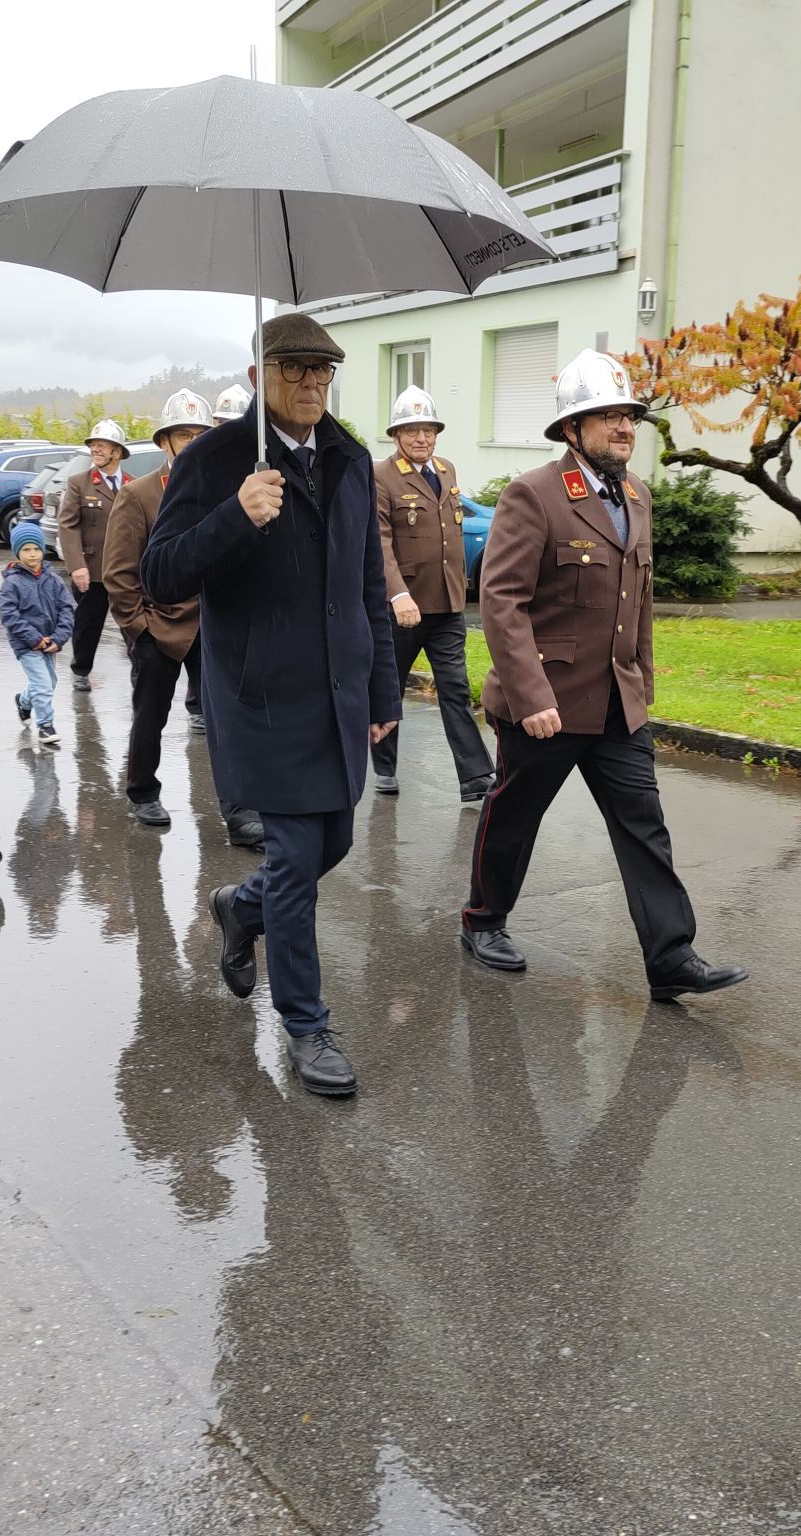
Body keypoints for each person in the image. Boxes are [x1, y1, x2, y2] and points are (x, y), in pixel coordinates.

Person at [143, 313, 399, 1096]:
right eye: (295, 369)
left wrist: (382, 687)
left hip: (338, 693)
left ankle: (237, 907)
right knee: (293, 860)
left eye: (324, 371)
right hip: (261, 697)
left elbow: (367, 585)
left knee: (333, 847)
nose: (313, 383)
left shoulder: (351, 458)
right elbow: (163, 578)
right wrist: (234, 516)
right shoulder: (218, 461)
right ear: (260, 376)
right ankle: (306, 1025)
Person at [460, 349, 747, 1002]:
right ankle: (483, 920)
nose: (624, 427)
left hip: (618, 705)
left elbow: (637, 601)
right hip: (549, 706)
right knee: (514, 817)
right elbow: (501, 601)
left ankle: (670, 955)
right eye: (608, 416)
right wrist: (529, 695)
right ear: (572, 429)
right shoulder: (533, 495)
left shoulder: (637, 496)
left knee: (644, 826)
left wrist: (641, 683)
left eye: (629, 416)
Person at [102, 389, 263, 849]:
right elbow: (118, 573)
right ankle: (142, 792)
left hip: (212, 625)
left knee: (225, 718)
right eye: (181, 434)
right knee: (149, 714)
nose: (191, 442)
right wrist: (140, 630)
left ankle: (238, 810)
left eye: (198, 434)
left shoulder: (221, 487)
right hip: (159, 626)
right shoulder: (137, 495)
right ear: (164, 442)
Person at [370, 385, 496, 802]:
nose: (421, 438)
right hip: (403, 607)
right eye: (412, 431)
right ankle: (384, 767)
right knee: (389, 687)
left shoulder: (446, 469)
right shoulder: (381, 475)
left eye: (428, 430)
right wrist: (396, 595)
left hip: (447, 605)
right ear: (396, 435)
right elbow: (380, 543)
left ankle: (476, 777)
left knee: (456, 689)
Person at [57, 418, 130, 693]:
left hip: (125, 572)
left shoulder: (133, 484)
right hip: (92, 571)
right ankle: (81, 670)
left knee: (133, 627)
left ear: (117, 452)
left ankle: (142, 670)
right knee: (87, 625)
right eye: (93, 445)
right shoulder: (79, 483)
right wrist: (76, 565)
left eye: (102, 445)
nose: (95, 450)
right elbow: (68, 525)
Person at [0, 520, 74, 748]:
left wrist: (58, 638)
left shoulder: (54, 581)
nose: (32, 554)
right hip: (26, 645)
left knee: (49, 682)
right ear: (17, 552)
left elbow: (67, 610)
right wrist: (34, 639)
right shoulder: (12, 583)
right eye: (26, 550)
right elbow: (9, 615)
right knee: (42, 683)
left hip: (50, 641)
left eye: (36, 549)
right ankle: (46, 726)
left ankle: (23, 701)